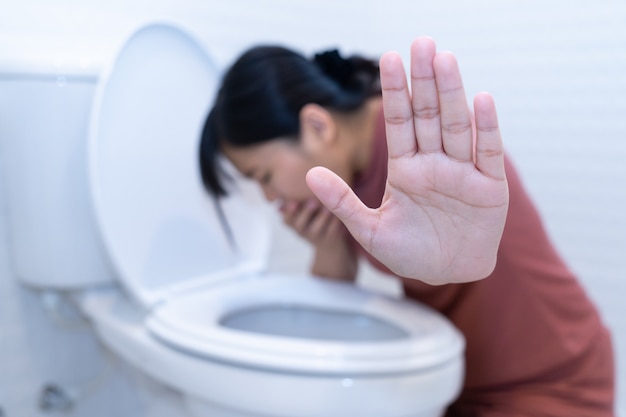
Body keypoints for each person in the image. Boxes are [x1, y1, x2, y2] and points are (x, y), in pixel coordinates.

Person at [199, 37, 615, 416]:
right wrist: (328, 248)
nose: (271, 198)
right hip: (465, 382)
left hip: (552, 378)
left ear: (317, 127)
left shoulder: (416, 152)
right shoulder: (350, 176)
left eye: (264, 176)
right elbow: (332, 316)